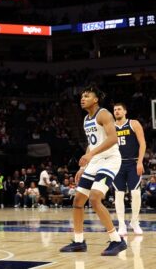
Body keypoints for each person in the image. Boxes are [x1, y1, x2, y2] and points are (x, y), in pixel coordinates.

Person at [60, 85, 127, 256]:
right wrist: (83, 166)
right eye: (82, 96)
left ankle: (117, 241)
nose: (82, 99)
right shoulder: (85, 119)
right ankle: (79, 241)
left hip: (109, 160)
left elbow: (113, 138)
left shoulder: (103, 113)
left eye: (87, 96)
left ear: (96, 99)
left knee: (95, 198)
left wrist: (91, 156)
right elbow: (92, 143)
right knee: (78, 201)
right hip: (95, 160)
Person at [112, 103, 146, 236]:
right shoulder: (110, 127)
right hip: (117, 164)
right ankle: (121, 224)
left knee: (136, 193)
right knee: (118, 194)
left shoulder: (134, 123)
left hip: (133, 162)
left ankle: (134, 221)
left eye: (119, 109)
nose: (117, 111)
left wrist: (140, 161)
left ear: (125, 111)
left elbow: (142, 143)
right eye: (114, 110)